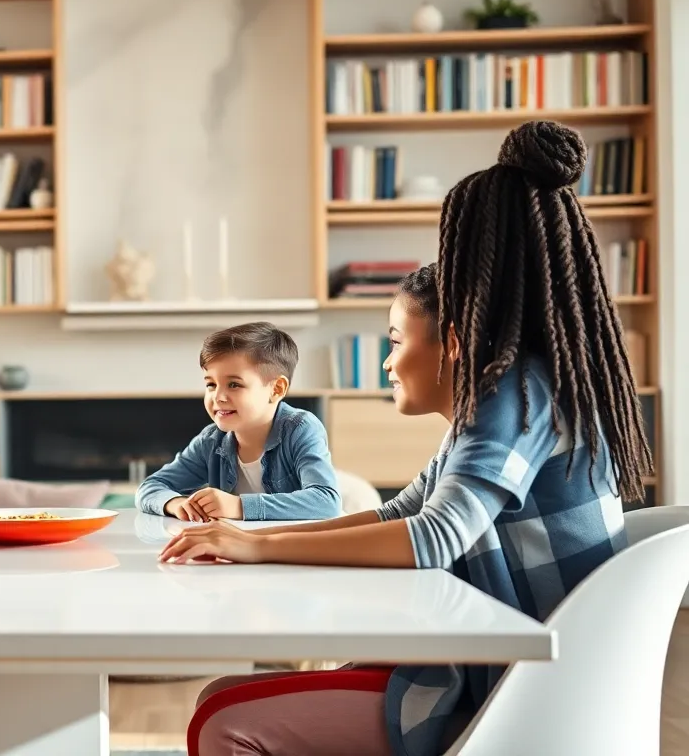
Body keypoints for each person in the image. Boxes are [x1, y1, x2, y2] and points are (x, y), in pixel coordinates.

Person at [161, 121, 654, 756]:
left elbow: (433, 535)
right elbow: (400, 512)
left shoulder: (515, 394)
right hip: (496, 665)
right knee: (220, 698)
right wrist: (251, 539)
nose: (389, 362)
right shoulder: (513, 395)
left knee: (220, 718)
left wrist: (254, 548)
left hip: (513, 690)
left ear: (452, 338)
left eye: (395, 340)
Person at [135, 321, 340, 522]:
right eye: (211, 384)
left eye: (234, 384)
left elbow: (326, 501)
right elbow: (151, 486)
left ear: (276, 389)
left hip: (293, 550)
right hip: (239, 549)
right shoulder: (211, 440)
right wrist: (176, 502)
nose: (218, 397)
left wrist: (238, 506)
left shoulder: (299, 428)